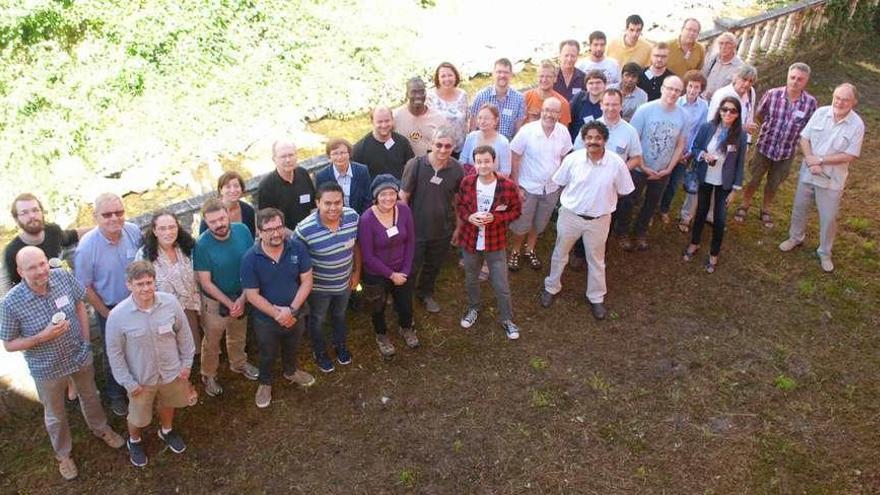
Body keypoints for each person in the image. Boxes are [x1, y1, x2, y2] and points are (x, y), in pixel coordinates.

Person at [0, 247, 125, 480]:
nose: (40, 271)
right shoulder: (10, 303)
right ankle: (63, 454)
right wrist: (42, 337)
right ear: (20, 271)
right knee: (55, 414)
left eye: (42, 264)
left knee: (91, 396)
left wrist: (86, 341)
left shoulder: (62, 276)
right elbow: (8, 344)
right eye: (31, 268)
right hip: (47, 368)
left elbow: (79, 303)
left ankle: (101, 429)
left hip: (79, 355)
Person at [540, 121, 635, 320]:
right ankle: (551, 287)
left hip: (599, 221)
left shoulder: (616, 163)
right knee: (560, 253)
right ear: (583, 140)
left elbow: (625, 190)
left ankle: (596, 297)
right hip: (570, 216)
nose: (593, 141)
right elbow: (559, 182)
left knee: (597, 260)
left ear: (605, 141)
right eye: (589, 138)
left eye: (598, 138)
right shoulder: (572, 160)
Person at [105, 261, 195, 468]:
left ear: (155, 281)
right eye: (139, 284)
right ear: (129, 285)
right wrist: (128, 383)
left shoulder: (170, 303)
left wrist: (187, 364)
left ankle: (167, 431)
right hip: (140, 380)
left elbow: (184, 334)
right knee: (137, 416)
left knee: (168, 402)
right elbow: (115, 354)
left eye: (149, 282)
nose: (146, 288)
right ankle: (134, 441)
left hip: (172, 372)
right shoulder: (117, 316)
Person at [779, 83, 864, 273]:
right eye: (837, 97)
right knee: (799, 208)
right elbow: (804, 138)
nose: (840, 102)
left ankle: (825, 252)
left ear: (854, 102)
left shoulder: (857, 125)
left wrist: (820, 160)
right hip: (808, 173)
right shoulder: (821, 113)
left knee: (828, 217)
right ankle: (795, 238)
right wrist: (810, 160)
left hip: (831, 180)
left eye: (845, 99)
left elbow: (850, 155)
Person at [74, 193, 142, 417]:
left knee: (140, 346)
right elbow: (85, 286)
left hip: (139, 303)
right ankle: (115, 395)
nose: (115, 218)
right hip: (110, 309)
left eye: (119, 212)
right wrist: (107, 313)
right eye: (107, 214)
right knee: (114, 353)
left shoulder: (133, 231)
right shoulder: (86, 248)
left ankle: (142, 386)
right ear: (96, 217)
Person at [241, 208, 315, 409]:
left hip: (296, 312)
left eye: (279, 227)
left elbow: (307, 281)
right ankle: (265, 383)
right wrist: (278, 314)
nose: (276, 233)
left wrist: (291, 310)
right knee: (267, 352)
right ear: (259, 232)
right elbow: (251, 295)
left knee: (293, 345)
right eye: (269, 229)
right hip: (266, 320)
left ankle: (291, 371)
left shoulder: (297, 248)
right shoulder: (250, 258)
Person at [735, 63, 817, 227]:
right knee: (753, 179)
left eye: (799, 79)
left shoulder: (810, 103)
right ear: (788, 76)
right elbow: (759, 114)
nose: (795, 82)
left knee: (774, 183)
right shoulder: (772, 94)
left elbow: (809, 127)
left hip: (786, 152)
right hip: (764, 147)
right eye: (792, 77)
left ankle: (765, 209)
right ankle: (744, 205)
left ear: (806, 81)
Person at [193, 198, 259, 398]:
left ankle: (238, 363)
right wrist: (230, 303)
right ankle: (208, 374)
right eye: (212, 222)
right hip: (215, 302)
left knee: (238, 333)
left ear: (228, 214)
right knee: (212, 341)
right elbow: (205, 282)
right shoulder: (201, 245)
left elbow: (251, 262)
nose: (219, 224)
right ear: (206, 222)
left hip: (242, 294)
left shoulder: (243, 231)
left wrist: (243, 297)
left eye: (221, 218)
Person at [456, 145, 523, 339]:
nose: (483, 165)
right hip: (470, 241)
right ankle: (474, 308)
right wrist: (469, 217)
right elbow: (460, 206)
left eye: (487, 161)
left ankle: (507, 319)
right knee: (471, 278)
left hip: (495, 243)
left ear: (494, 162)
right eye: (479, 162)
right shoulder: (467, 182)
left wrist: (495, 218)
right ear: (474, 163)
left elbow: (516, 211)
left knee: (501, 283)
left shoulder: (508, 186)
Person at [615, 76, 687, 251]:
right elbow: (633, 140)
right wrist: (642, 166)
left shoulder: (683, 114)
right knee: (630, 200)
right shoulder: (645, 110)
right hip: (640, 168)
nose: (673, 93)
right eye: (670, 88)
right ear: (662, 88)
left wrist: (670, 168)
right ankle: (622, 232)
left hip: (662, 171)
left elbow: (680, 144)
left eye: (677, 90)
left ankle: (640, 232)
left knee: (652, 203)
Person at [295, 182, 361, 372]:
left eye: (337, 202)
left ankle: (340, 345)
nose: (333, 208)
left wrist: (356, 273)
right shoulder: (304, 230)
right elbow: (297, 262)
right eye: (327, 203)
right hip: (318, 290)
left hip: (345, 283)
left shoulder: (352, 217)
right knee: (318, 320)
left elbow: (356, 246)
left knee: (339, 316)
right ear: (318, 203)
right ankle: (320, 351)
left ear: (343, 202)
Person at [400, 127, 464, 313]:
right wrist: (404, 228)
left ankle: (425, 293)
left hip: (442, 230)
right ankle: (403, 298)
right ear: (430, 144)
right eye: (439, 145)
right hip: (416, 229)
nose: (443, 150)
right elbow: (403, 197)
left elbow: (458, 201)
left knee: (433, 266)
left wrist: (458, 227)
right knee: (411, 267)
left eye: (448, 146)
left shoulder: (457, 169)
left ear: (453, 147)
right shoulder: (416, 165)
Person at [682, 97, 747, 273]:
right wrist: (703, 155)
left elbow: (740, 163)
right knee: (701, 212)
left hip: (724, 183)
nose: (728, 113)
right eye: (725, 109)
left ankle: (714, 254)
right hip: (705, 177)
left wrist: (735, 189)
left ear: (738, 114)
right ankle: (694, 243)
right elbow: (694, 148)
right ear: (719, 110)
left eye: (732, 111)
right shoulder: (707, 127)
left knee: (719, 219)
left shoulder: (740, 134)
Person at [508, 98, 573, 271]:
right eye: (546, 110)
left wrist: (561, 181)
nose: (549, 114)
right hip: (527, 187)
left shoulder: (563, 133)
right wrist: (516, 185)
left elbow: (566, 156)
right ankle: (515, 251)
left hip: (551, 189)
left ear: (560, 115)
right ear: (541, 111)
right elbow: (514, 156)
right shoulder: (527, 131)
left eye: (553, 111)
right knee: (522, 223)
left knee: (539, 223)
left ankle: (530, 249)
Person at [358, 174, 417, 358]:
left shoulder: (404, 210)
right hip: (377, 273)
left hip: (402, 269)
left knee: (405, 304)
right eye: (383, 194)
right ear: (376, 196)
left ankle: (406, 327)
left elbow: (411, 242)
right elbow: (367, 255)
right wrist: (392, 275)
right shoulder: (367, 219)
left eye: (392, 193)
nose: (388, 198)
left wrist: (405, 271)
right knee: (378, 307)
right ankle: (381, 335)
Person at [136, 211, 202, 366]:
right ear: (154, 230)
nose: (168, 232)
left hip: (189, 308)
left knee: (192, 349)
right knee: (170, 354)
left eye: (172, 227)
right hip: (161, 313)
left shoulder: (186, 247)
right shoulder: (144, 255)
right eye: (163, 228)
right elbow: (140, 286)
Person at [658, 70, 709, 229]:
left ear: (701, 89)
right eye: (690, 86)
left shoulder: (703, 107)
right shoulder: (676, 102)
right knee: (661, 181)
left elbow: (699, 130)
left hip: (686, 152)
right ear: (685, 87)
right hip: (670, 149)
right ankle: (653, 206)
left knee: (674, 183)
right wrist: (675, 151)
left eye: (697, 87)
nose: (693, 90)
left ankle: (664, 209)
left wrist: (690, 151)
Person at [4, 193, 90, 287]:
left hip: (62, 290)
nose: (32, 216)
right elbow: (12, 289)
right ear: (16, 219)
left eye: (35, 210)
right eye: (24, 213)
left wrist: (102, 228)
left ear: (42, 212)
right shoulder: (12, 252)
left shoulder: (53, 231)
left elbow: (73, 235)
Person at [574, 89, 643, 172]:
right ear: (601, 105)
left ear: (621, 106)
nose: (610, 108)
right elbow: (577, 152)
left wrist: (620, 172)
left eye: (615, 105)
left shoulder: (630, 131)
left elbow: (636, 158)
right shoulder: (588, 128)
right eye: (607, 104)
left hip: (616, 181)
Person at [257, 139, 316, 231]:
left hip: (310, 230)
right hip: (284, 237)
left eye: (291, 155)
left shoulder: (303, 174)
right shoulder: (266, 186)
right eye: (283, 156)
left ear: (296, 156)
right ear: (274, 159)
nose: (288, 160)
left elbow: (313, 206)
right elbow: (268, 222)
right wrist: (295, 236)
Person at [469, 58, 526, 140]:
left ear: (511, 75)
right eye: (499, 72)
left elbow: (518, 131)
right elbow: (473, 127)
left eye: (506, 72)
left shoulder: (519, 99)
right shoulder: (481, 96)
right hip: (483, 145)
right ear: (493, 74)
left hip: (507, 146)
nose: (502, 75)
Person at [352, 106, 415, 180]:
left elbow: (412, 169)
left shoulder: (402, 143)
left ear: (392, 120)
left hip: (399, 189)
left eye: (387, 121)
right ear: (372, 122)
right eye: (380, 122)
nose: (384, 125)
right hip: (373, 190)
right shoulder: (360, 149)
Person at [315, 138, 372, 214]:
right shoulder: (322, 176)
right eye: (335, 153)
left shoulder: (362, 171)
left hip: (360, 217)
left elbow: (368, 199)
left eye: (343, 153)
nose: (339, 157)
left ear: (349, 153)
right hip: (334, 219)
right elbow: (322, 203)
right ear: (329, 156)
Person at [394, 77, 448, 157]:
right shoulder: (395, 116)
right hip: (404, 166)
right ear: (407, 94)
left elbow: (446, 146)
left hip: (430, 165)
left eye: (421, 92)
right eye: (414, 92)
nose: (418, 96)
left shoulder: (439, 118)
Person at [427, 62, 469, 154]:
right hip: (438, 149)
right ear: (438, 78)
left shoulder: (463, 95)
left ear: (455, 76)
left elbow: (466, 121)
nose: (447, 79)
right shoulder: (430, 97)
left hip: (459, 148)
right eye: (443, 76)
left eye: (450, 75)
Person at [459, 104, 512, 176]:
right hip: (470, 180)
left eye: (486, 118)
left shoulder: (503, 143)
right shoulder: (471, 137)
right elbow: (462, 162)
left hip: (493, 183)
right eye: (480, 118)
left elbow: (506, 172)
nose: (482, 121)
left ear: (496, 121)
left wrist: (485, 175)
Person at [199, 171, 256, 237]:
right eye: (228, 187)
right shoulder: (211, 213)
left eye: (236, 186)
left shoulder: (248, 210)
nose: (232, 190)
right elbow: (203, 240)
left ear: (241, 189)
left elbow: (251, 237)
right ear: (221, 190)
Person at [524, 60, 572, 126]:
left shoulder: (562, 103)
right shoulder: (525, 97)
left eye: (548, 77)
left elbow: (563, 131)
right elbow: (518, 126)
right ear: (537, 77)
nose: (544, 80)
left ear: (555, 78)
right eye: (541, 76)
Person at [702, 32, 743, 99]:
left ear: (734, 46)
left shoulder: (739, 67)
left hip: (721, 103)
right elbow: (703, 77)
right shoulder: (713, 59)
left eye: (728, 43)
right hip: (704, 100)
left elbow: (738, 90)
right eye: (721, 43)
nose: (724, 47)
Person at [568, 70, 606, 141]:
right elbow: (568, 119)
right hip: (577, 145)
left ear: (605, 84)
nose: (594, 86)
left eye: (598, 82)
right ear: (586, 86)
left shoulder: (608, 102)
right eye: (591, 83)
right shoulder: (579, 98)